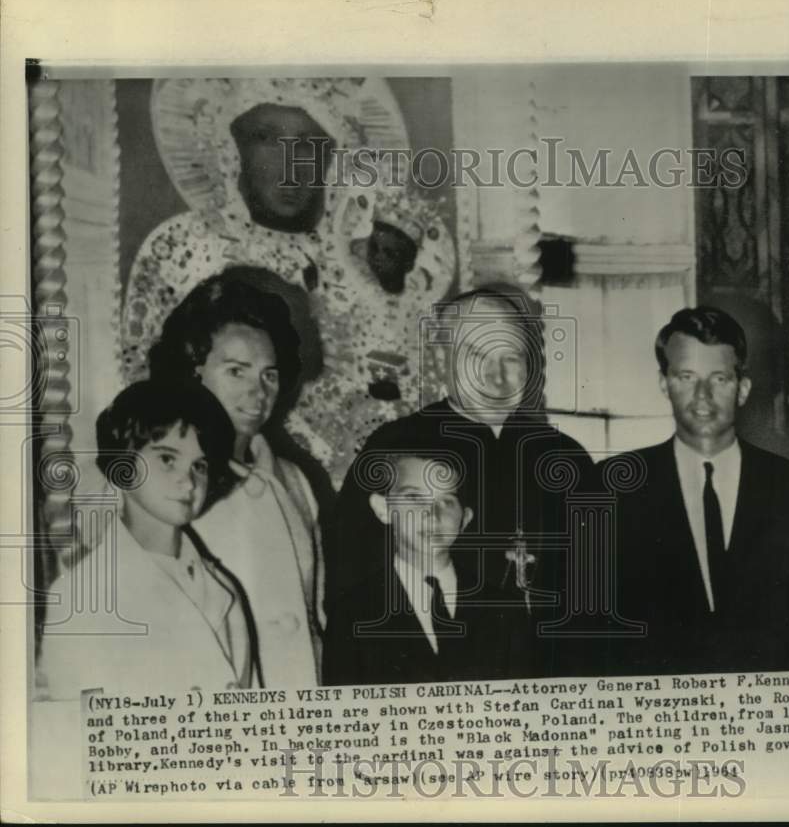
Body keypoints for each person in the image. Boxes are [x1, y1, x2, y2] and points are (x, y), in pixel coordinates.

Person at [119, 78, 456, 486]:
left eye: (309, 142)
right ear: (230, 146)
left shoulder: (368, 257)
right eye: (265, 137)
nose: (291, 162)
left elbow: (423, 384)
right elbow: (147, 393)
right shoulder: (180, 249)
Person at [325, 285, 602, 680]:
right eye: (477, 355)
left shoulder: (564, 456)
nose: (497, 376)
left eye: (512, 357)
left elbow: (600, 588)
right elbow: (351, 584)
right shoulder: (397, 446)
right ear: (443, 358)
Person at [600, 306, 789, 675]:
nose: (702, 396)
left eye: (719, 379)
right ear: (663, 384)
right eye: (686, 376)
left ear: (743, 388)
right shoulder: (613, 486)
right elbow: (594, 638)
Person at [148, 272, 325, 685]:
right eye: (236, 371)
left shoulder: (295, 481)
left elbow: (316, 614)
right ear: (194, 373)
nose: (258, 391)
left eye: (269, 374)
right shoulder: (160, 479)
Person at [37, 380, 260, 698]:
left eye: (200, 465)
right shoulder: (80, 597)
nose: (188, 480)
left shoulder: (224, 589)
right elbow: (78, 731)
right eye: (168, 459)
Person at [325, 433, 536, 685]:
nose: (432, 515)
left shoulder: (506, 611)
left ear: (465, 519)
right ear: (384, 509)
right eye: (414, 497)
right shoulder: (351, 614)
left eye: (447, 501)